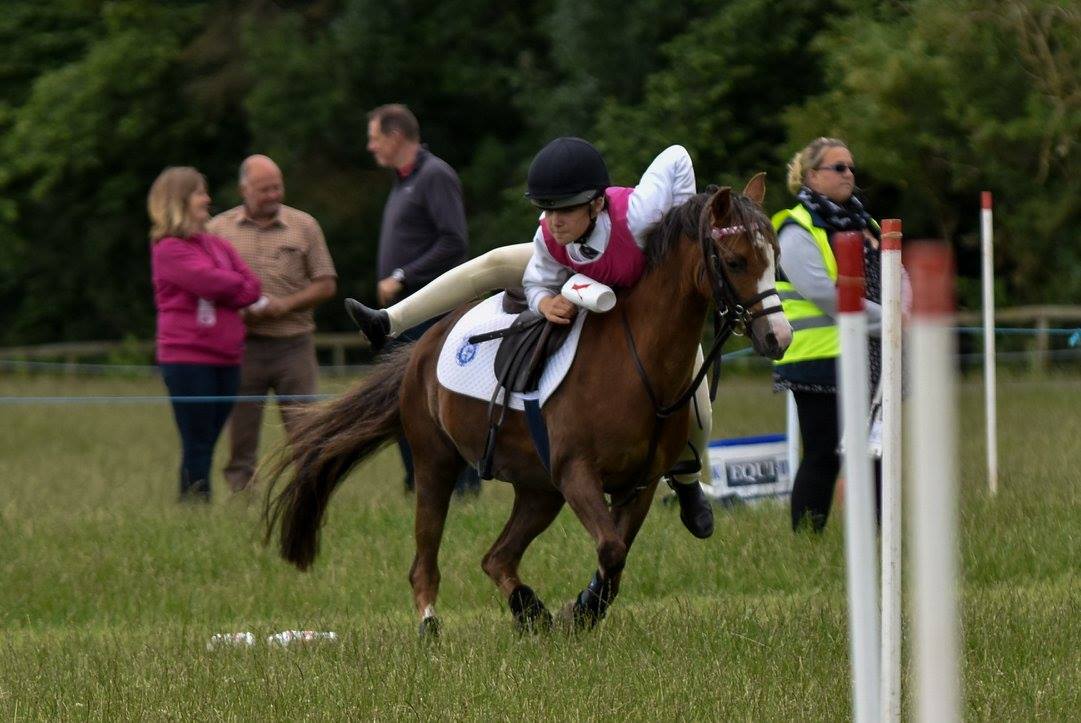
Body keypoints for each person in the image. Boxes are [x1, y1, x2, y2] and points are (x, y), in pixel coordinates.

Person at [346, 137, 715, 538]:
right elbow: (537, 282)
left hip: (640, 290)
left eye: (564, 209)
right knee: (493, 263)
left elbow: (678, 156)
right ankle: (388, 321)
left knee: (695, 402)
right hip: (574, 275)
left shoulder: (641, 214)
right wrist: (543, 303)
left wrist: (679, 230)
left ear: (596, 204)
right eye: (547, 208)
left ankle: (688, 482)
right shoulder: (551, 233)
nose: (553, 220)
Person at [773, 137, 908, 532]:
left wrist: (905, 307)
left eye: (851, 167)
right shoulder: (796, 227)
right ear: (812, 176)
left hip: (870, 354)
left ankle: (881, 534)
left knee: (877, 450)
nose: (849, 174)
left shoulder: (865, 223)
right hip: (818, 359)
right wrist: (890, 319)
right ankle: (807, 541)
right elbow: (823, 293)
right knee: (824, 453)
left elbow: (896, 273)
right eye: (838, 167)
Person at [361, 103, 482, 496]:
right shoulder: (403, 181)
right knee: (406, 400)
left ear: (396, 136)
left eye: (375, 138)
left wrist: (402, 276)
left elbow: (454, 242)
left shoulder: (434, 176)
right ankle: (418, 483)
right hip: (406, 316)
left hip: (430, 313)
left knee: (437, 399)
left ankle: (461, 489)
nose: (370, 146)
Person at [206, 155, 337, 493]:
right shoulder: (217, 230)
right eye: (264, 189)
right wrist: (236, 311)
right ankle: (241, 497)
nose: (273, 195)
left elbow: (326, 284)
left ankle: (307, 494)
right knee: (241, 434)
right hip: (242, 347)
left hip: (294, 345)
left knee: (305, 429)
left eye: (277, 187)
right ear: (244, 190)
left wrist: (285, 306)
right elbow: (206, 287)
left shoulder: (304, 226)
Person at [148, 166, 263, 502]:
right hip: (188, 358)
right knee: (197, 440)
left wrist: (228, 285)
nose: (207, 199)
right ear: (180, 200)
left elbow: (252, 287)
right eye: (199, 193)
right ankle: (195, 504)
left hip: (227, 357)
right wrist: (230, 284)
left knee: (209, 438)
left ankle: (195, 500)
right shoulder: (168, 248)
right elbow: (211, 283)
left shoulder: (217, 245)